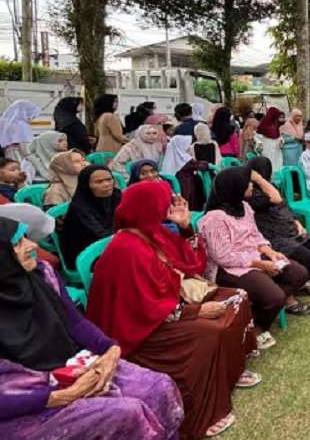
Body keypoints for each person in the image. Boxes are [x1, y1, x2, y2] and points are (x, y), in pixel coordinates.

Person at [87, 182, 259, 439]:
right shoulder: (127, 249)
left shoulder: (151, 232)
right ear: (149, 207)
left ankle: (228, 373)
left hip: (170, 304)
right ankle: (201, 413)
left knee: (238, 298)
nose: (168, 207)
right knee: (208, 332)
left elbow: (193, 265)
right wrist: (195, 313)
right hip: (141, 331)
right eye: (163, 203)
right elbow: (143, 309)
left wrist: (185, 226)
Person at [0, 217, 183, 440]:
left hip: (68, 368)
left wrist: (110, 349)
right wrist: (62, 396)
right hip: (22, 401)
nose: (33, 246)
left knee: (158, 386)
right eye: (18, 243)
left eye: (26, 238)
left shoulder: (41, 274)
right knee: (125, 413)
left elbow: (75, 322)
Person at [201, 167, 310, 331]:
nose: (251, 185)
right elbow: (223, 257)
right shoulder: (214, 219)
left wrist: (271, 253)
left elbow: (255, 235)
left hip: (254, 256)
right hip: (229, 269)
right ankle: (257, 329)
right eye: (248, 183)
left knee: (299, 274)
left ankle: (256, 311)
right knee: (274, 297)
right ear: (236, 187)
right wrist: (260, 264)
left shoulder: (244, 206)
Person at [247, 157, 310, 295]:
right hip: (273, 236)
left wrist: (296, 223)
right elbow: (276, 200)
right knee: (305, 254)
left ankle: (303, 281)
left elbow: (284, 207)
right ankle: (300, 283)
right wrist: (259, 180)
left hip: (289, 230)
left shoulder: (270, 186)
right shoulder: (252, 193)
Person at [60, 165, 120, 272]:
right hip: (87, 251)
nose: (106, 185)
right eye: (99, 182)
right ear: (86, 185)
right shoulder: (80, 207)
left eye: (109, 179)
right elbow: (100, 233)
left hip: (112, 241)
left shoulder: (115, 195)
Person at [164, 135, 207, 211]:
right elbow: (199, 166)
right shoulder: (184, 159)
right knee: (188, 200)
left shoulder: (172, 156)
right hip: (187, 183)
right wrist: (208, 164)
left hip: (177, 182)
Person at [0, 100, 40, 178]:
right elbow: (26, 146)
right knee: (22, 174)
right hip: (19, 154)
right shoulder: (21, 125)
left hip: (8, 153)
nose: (31, 117)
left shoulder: (5, 122)